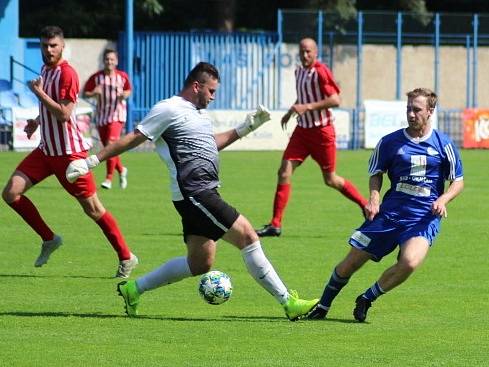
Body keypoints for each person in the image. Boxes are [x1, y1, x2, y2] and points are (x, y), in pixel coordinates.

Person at [66, 62, 319, 321]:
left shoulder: (198, 113)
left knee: (200, 264)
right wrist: (90, 162)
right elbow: (134, 137)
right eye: (211, 90)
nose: (213, 96)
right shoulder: (168, 109)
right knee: (248, 236)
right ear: (196, 86)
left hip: (198, 193)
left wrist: (246, 128)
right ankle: (288, 302)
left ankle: (134, 289)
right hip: (195, 192)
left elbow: (210, 145)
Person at [307, 88, 464, 322]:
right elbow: (376, 173)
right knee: (350, 263)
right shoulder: (390, 142)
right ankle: (323, 305)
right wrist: (374, 197)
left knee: (409, 262)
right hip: (390, 214)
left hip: (422, 218)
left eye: (417, 109)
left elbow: (457, 181)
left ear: (430, 111)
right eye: (408, 108)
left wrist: (443, 199)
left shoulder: (444, 144)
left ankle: (367, 297)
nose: (411, 114)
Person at [1, 26, 138, 278]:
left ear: (62, 46)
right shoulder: (45, 70)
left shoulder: (68, 74)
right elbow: (51, 109)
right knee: (10, 193)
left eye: (53, 45)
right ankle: (49, 239)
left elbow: (64, 114)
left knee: (94, 210)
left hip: (70, 156)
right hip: (46, 151)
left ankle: (126, 257)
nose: (48, 50)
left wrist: (39, 94)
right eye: (44, 45)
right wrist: (36, 120)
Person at [256, 38, 368, 237]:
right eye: (302, 51)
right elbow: (306, 97)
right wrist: (292, 111)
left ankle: (365, 205)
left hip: (322, 132)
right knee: (284, 172)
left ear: (315, 52)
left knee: (331, 179)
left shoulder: (321, 71)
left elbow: (335, 99)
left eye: (308, 51)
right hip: (302, 131)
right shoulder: (299, 71)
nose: (305, 55)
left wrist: (306, 107)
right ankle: (275, 224)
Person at [83, 48, 131, 190]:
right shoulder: (96, 77)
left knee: (110, 144)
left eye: (112, 59)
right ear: (103, 61)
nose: (109, 62)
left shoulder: (122, 76)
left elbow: (128, 90)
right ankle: (122, 170)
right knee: (109, 149)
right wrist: (93, 93)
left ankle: (108, 179)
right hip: (102, 116)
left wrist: (124, 95)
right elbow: (85, 93)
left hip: (117, 115)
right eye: (107, 59)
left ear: (116, 61)